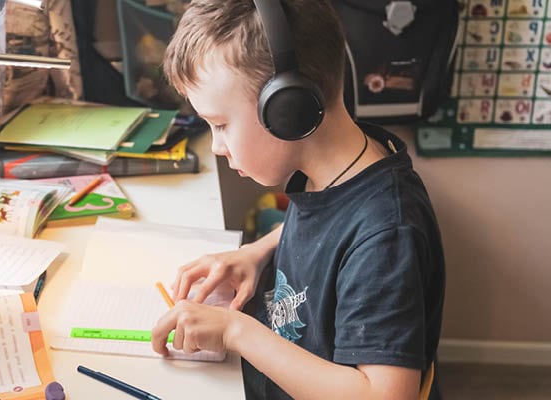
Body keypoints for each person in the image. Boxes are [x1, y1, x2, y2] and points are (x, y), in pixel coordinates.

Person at [149, 1, 446, 399]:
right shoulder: (333, 169)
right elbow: (332, 223)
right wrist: (258, 251)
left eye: (220, 125)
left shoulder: (388, 234)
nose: (217, 146)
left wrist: (236, 331)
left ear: (288, 108)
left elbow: (385, 395)